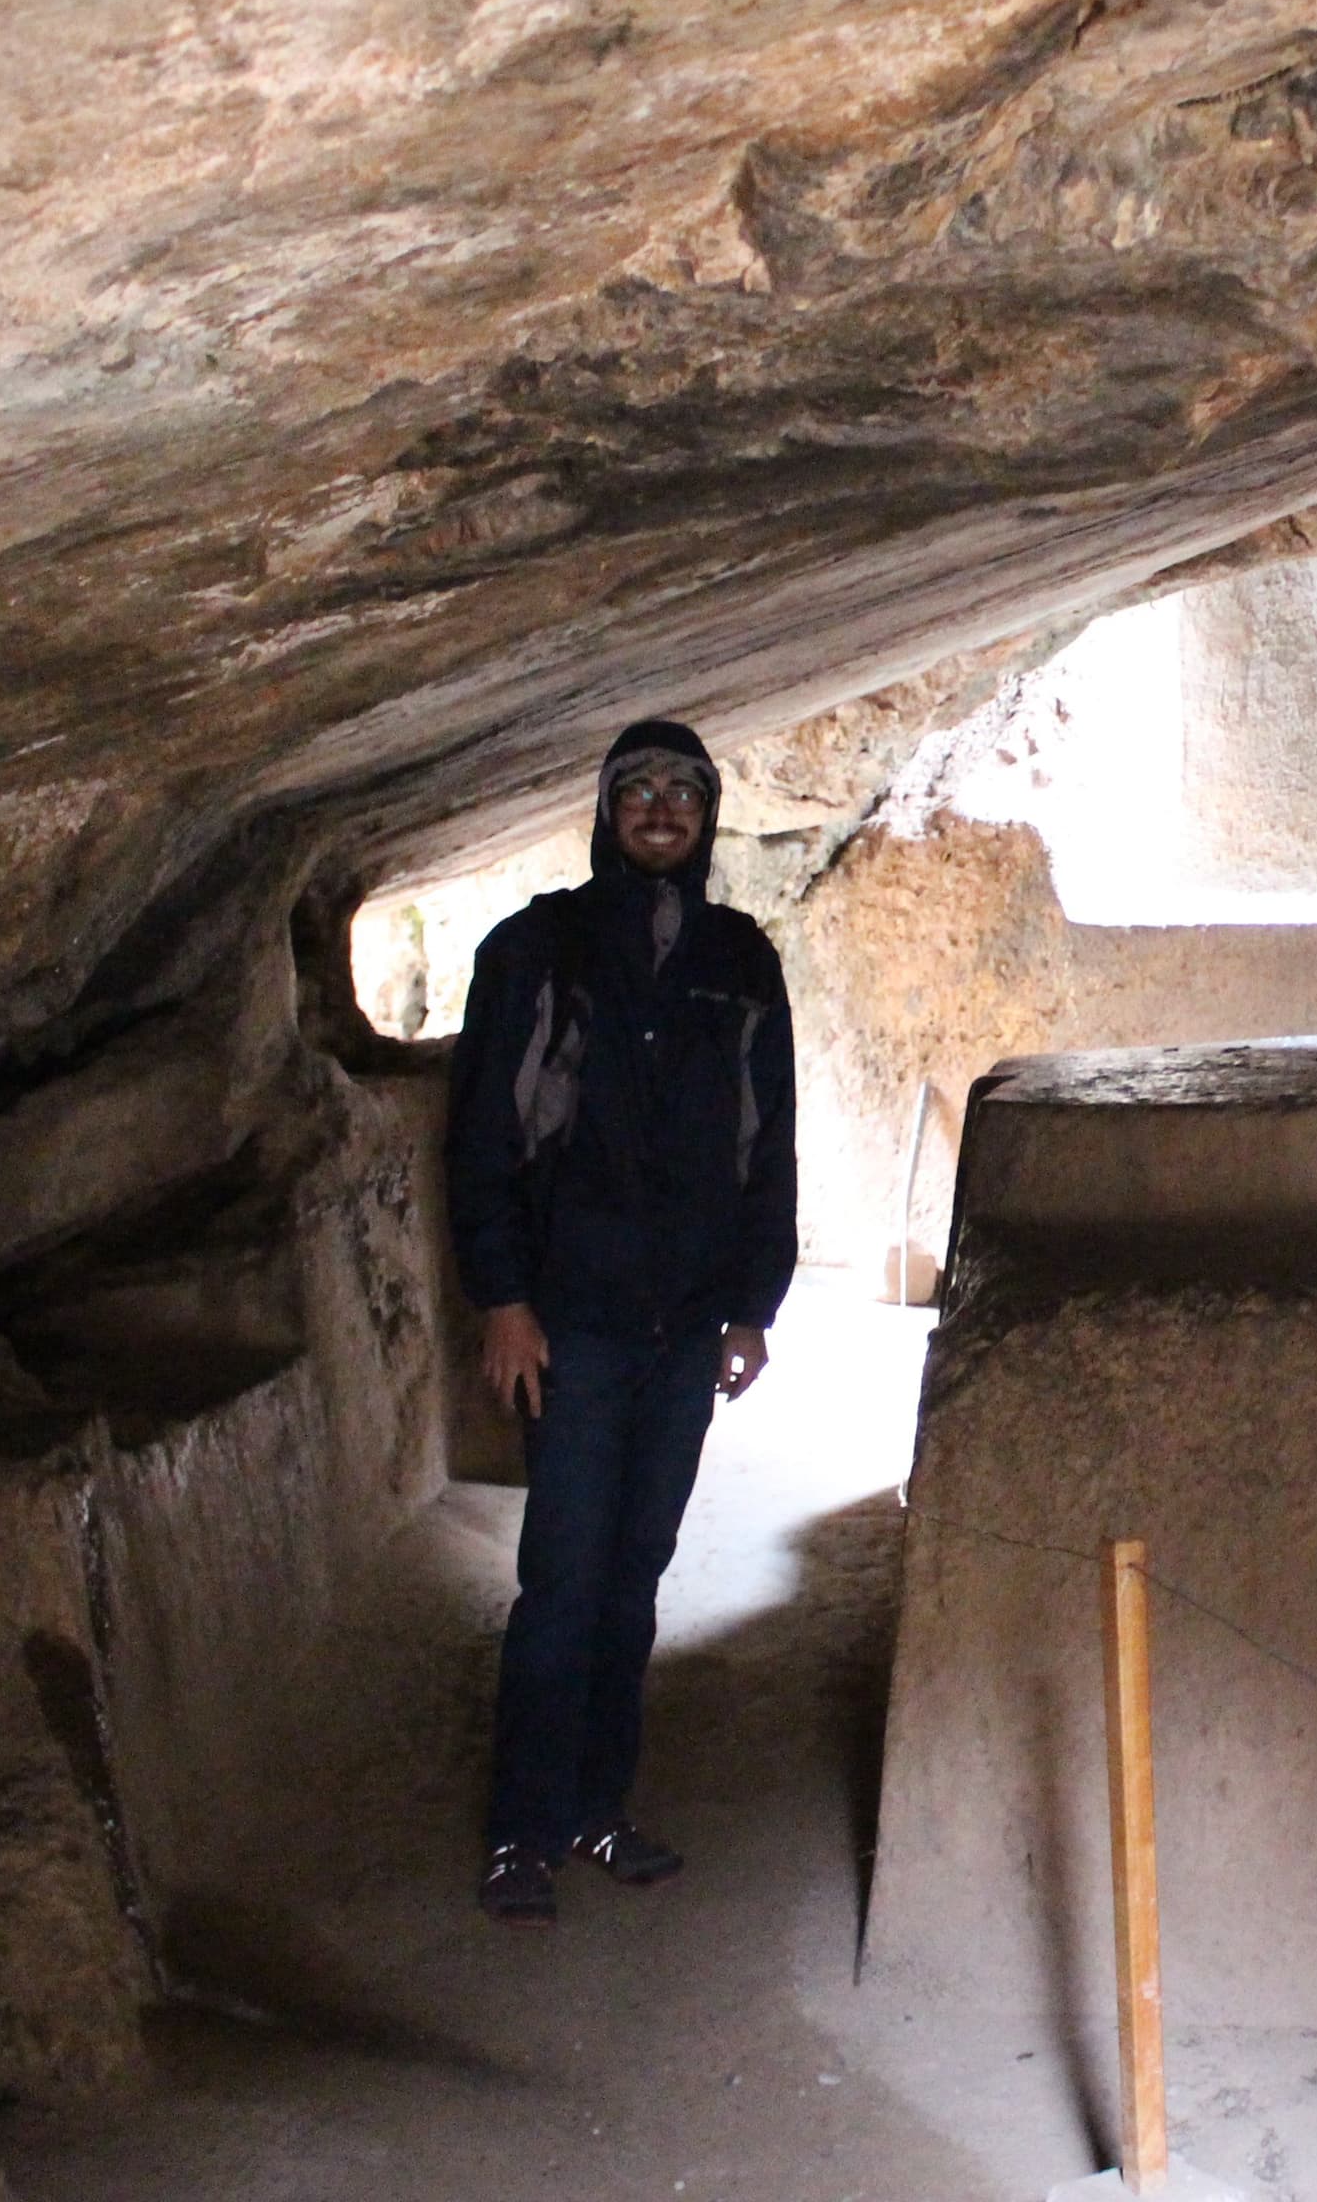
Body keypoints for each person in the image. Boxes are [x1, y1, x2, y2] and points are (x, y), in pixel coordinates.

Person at [445, 718, 797, 1926]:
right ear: (606, 811)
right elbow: (485, 1139)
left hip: (684, 1323)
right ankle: (520, 1832)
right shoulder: (540, 948)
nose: (661, 809)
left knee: (637, 1572)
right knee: (563, 1574)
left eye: (682, 793)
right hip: (577, 1322)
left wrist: (754, 1303)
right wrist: (504, 1298)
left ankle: (600, 1808)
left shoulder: (739, 959)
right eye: (639, 790)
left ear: (706, 817)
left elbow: (768, 1144)